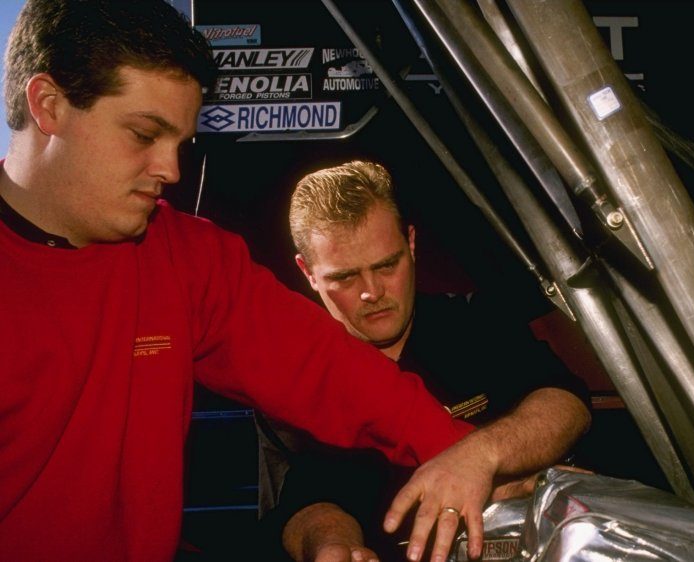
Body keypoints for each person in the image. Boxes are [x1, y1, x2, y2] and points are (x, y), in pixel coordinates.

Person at [0, 2, 517, 561]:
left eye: (180, 143)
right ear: (48, 105)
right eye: (144, 134)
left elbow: (325, 369)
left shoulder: (188, 257)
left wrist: (469, 456)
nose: (170, 170)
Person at [257, 161, 592, 562]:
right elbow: (304, 501)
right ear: (308, 272)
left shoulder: (476, 323)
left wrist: (480, 455)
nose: (372, 292)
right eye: (345, 277)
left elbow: (567, 402)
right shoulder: (288, 376)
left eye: (386, 265)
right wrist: (330, 545)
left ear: (411, 244)